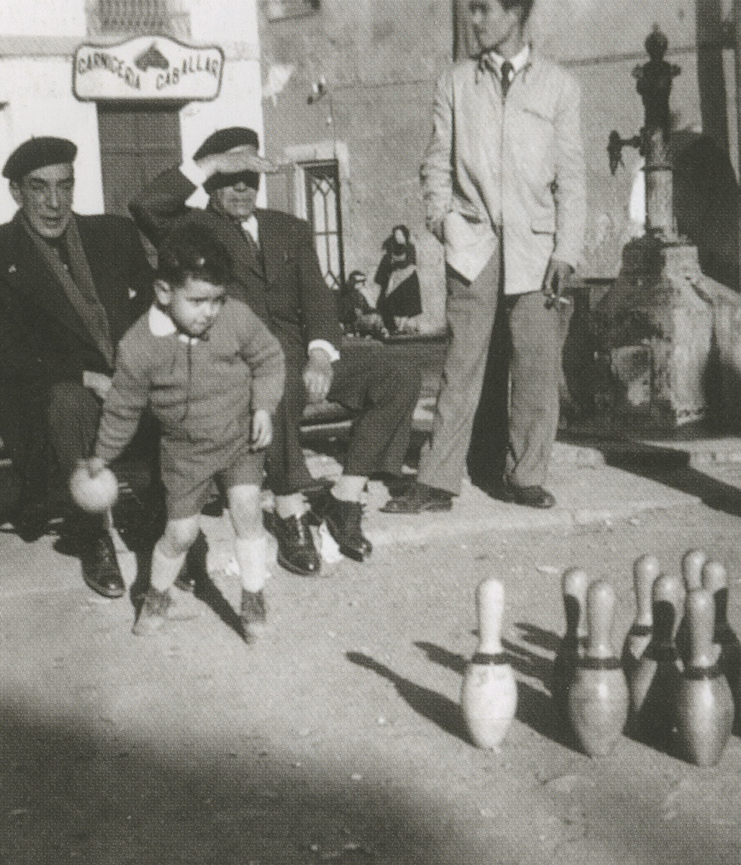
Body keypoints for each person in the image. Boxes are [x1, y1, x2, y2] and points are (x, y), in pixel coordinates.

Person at [130, 128, 423, 574]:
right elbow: (145, 205)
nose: (243, 187)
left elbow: (320, 302)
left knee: (397, 373)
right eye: (231, 176)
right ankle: (289, 512)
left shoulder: (290, 228)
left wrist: (322, 353)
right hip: (236, 366)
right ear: (211, 181)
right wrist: (210, 164)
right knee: (275, 378)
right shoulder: (190, 230)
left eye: (251, 175)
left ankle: (344, 501)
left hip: (301, 359)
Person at [385, 0, 585, 514]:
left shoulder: (559, 86)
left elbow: (572, 178)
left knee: (536, 368)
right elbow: (435, 165)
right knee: (461, 365)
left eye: (483, 9)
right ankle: (436, 481)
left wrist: (566, 251)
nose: (473, 20)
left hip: (537, 251)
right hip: (472, 244)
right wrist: (446, 224)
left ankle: (525, 476)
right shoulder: (455, 83)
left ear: (516, 13)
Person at [0, 137, 155, 598]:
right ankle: (93, 536)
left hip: (121, 382)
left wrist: (135, 368)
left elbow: (153, 311)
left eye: (64, 186)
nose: (54, 202)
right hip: (38, 393)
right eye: (39, 188)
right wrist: (84, 375)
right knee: (70, 402)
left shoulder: (113, 236)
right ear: (16, 193)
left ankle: (171, 534)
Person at [81, 225, 285, 641]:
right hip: (185, 453)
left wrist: (264, 406)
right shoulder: (139, 345)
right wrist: (102, 456)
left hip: (239, 439)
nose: (209, 312)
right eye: (197, 301)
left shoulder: (235, 318)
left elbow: (269, 358)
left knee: (247, 512)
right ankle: (156, 594)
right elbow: (123, 406)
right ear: (163, 291)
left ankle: (252, 598)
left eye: (217, 300)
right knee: (181, 534)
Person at [373, 225, 423, 334]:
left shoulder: (410, 247)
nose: (397, 237)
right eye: (396, 234)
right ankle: (393, 327)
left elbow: (409, 262)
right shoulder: (392, 247)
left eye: (400, 234)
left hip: (408, 279)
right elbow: (388, 263)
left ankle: (401, 328)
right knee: (390, 301)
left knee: (407, 303)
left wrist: (396, 263)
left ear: (405, 235)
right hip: (395, 279)